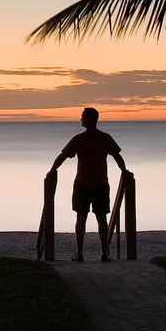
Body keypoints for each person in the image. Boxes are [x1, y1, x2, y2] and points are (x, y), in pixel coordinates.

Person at [47, 107, 126, 262]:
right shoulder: (104, 138)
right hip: (100, 183)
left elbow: (63, 156)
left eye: (82, 117)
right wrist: (124, 170)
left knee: (81, 217)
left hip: (83, 183)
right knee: (101, 218)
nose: (80, 119)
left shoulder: (79, 139)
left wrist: (52, 170)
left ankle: (81, 253)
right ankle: (104, 253)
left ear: (88, 119)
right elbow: (117, 157)